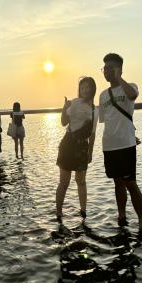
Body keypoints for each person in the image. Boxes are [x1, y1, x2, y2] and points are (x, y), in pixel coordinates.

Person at [99, 53, 142, 234]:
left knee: (131, 183)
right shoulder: (103, 95)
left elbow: (133, 95)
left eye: (111, 68)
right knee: (117, 183)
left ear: (119, 69)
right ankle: (121, 215)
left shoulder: (130, 87)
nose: (107, 71)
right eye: (105, 68)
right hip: (109, 145)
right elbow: (106, 120)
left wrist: (119, 78)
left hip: (125, 146)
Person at [56, 77, 98, 219]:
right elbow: (63, 122)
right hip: (68, 144)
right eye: (82, 87)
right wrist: (64, 108)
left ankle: (83, 211)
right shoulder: (74, 103)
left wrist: (90, 152)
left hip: (82, 147)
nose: (85, 90)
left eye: (88, 87)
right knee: (64, 182)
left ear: (93, 89)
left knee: (81, 181)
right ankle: (59, 212)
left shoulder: (94, 110)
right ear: (79, 90)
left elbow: (92, 134)